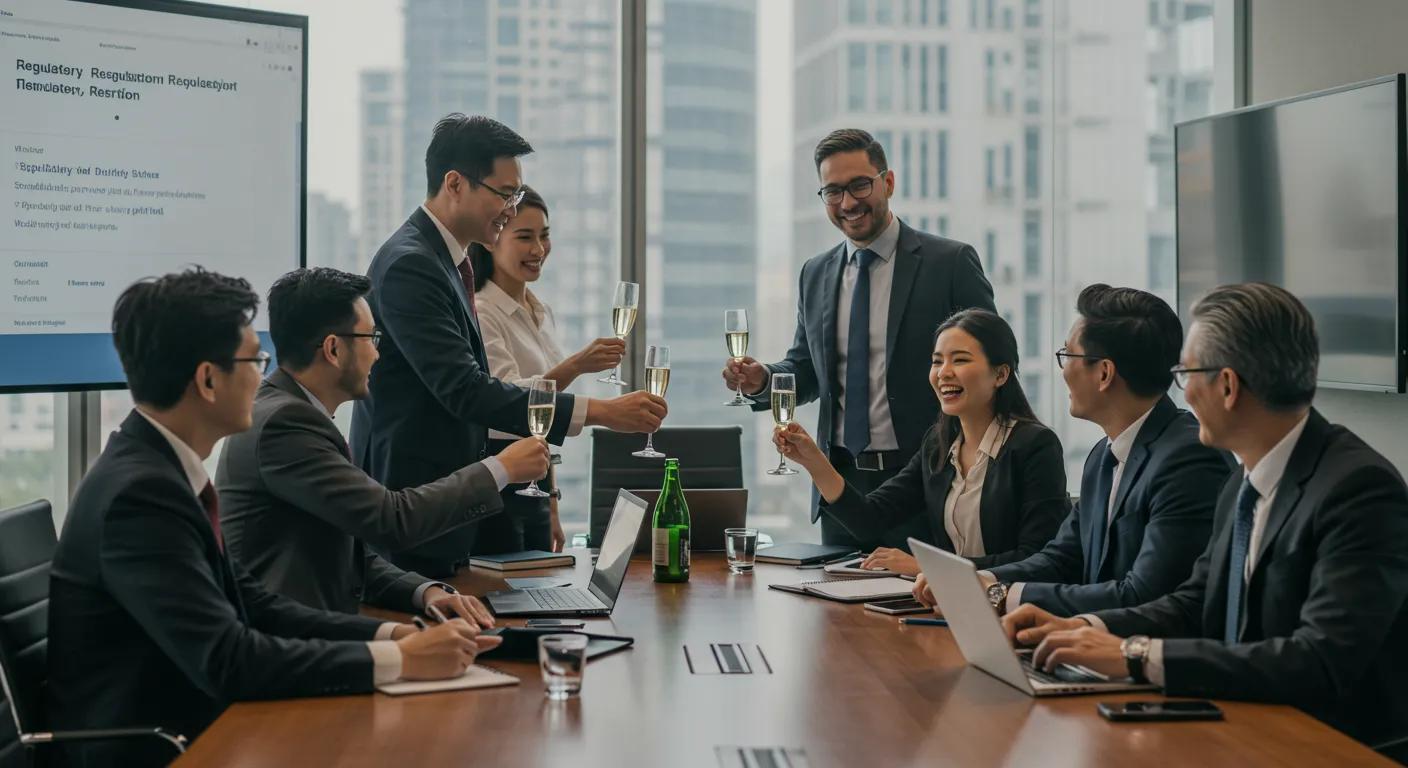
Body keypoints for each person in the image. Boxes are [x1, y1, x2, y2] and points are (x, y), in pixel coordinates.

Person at [47, 269, 497, 767]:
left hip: (198, 722)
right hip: (164, 745)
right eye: (253, 361)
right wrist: (398, 661)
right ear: (208, 379)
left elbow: (255, 603)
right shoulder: (140, 496)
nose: (263, 376)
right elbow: (228, 660)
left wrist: (392, 637)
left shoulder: (161, 469)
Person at [1002, 283, 1408, 753]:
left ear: (1228, 386)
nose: (1183, 391)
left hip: (1329, 746)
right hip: (1241, 724)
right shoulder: (1242, 480)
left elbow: (1317, 660)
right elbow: (1194, 603)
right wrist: (1091, 628)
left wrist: (1135, 655)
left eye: (1185, 373)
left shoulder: (1357, 489)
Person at [351, 114, 666, 576]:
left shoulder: (445, 262)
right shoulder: (411, 265)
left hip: (446, 504)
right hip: (415, 505)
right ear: (454, 183)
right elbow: (465, 389)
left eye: (516, 195)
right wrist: (600, 412)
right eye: (504, 194)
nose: (509, 207)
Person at [218, 267, 550, 620]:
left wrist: (426, 592)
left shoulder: (292, 412)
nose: (378, 354)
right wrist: (502, 468)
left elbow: (347, 553)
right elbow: (391, 519)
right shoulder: (284, 425)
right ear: (333, 349)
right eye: (371, 338)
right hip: (292, 649)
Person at [723, 128, 996, 547]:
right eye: (833, 191)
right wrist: (763, 380)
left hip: (928, 483)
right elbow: (807, 371)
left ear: (887, 182)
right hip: (840, 487)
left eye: (859, 186)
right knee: (835, 610)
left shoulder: (949, 263)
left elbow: (989, 363)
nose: (848, 203)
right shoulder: (815, 273)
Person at [914, 285, 1232, 615]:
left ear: (1104, 373)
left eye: (1067, 356)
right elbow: (1063, 557)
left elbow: (1144, 594)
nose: (1062, 370)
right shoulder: (1102, 457)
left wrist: (1000, 595)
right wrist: (978, 579)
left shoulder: (1188, 458)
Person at [775, 309, 1067, 574]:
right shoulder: (939, 444)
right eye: (937, 361)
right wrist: (813, 461)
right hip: (947, 604)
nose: (943, 373)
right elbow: (869, 518)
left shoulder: (1035, 446)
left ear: (1000, 374)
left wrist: (929, 568)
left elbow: (1036, 558)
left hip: (1012, 608)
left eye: (961, 360)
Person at [471, 186, 624, 553]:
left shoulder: (541, 312)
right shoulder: (482, 312)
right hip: (500, 489)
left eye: (544, 236)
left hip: (536, 489)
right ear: (492, 240)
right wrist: (577, 365)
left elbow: (540, 423)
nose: (538, 250)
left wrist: (552, 502)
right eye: (524, 237)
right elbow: (508, 401)